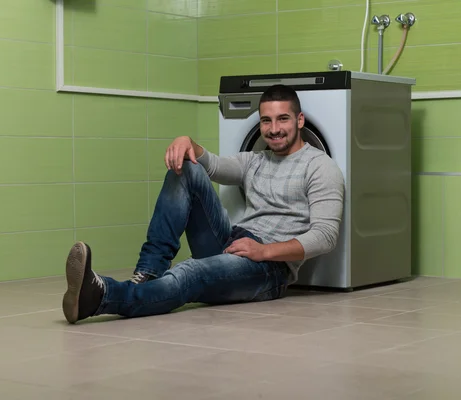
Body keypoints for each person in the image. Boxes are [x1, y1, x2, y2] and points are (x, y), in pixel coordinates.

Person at [62, 84, 345, 324]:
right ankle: (148, 273)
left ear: (300, 121)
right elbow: (212, 165)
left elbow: (325, 237)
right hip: (234, 243)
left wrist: (264, 251)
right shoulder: (256, 160)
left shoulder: (321, 167)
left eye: (283, 119)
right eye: (266, 121)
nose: (274, 129)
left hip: (270, 268)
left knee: (190, 271)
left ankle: (102, 296)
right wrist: (188, 141)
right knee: (188, 167)